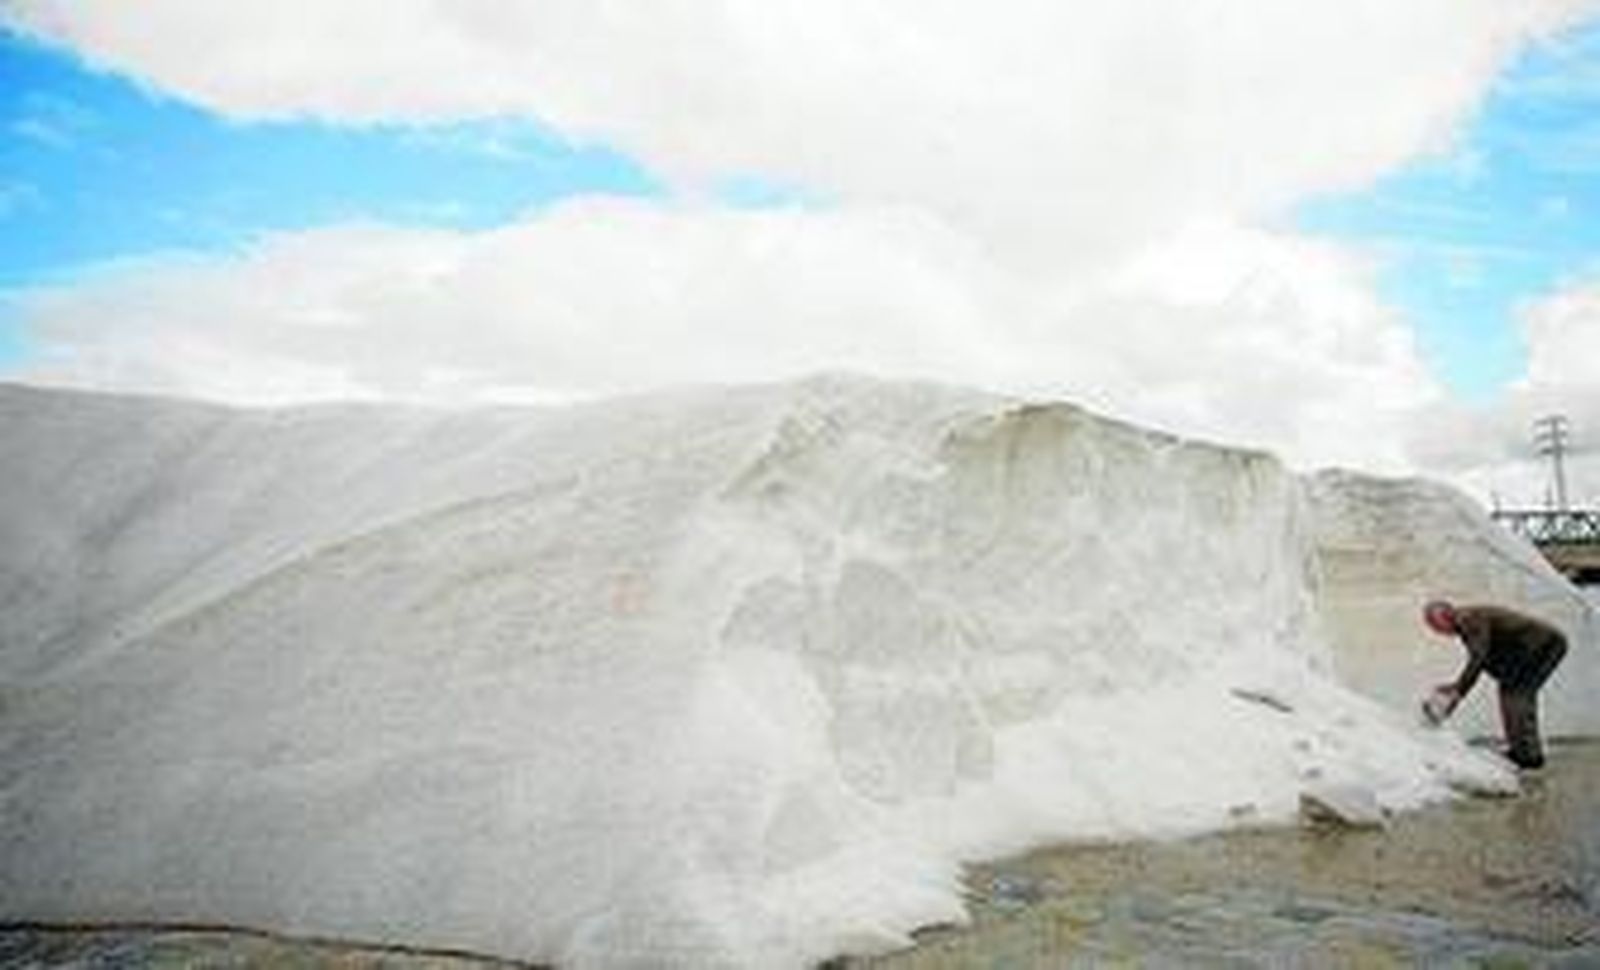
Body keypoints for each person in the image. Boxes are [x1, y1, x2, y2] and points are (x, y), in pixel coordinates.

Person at [1420, 599, 1567, 769]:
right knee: (1509, 691)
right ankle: (1519, 751)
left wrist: (1458, 690)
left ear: (1446, 615)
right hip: (1528, 651)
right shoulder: (1466, 623)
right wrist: (1455, 689)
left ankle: (1531, 757)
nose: (1437, 632)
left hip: (1545, 645)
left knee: (1518, 694)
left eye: (1435, 625)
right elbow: (1485, 659)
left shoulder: (1468, 619)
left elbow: (1478, 659)